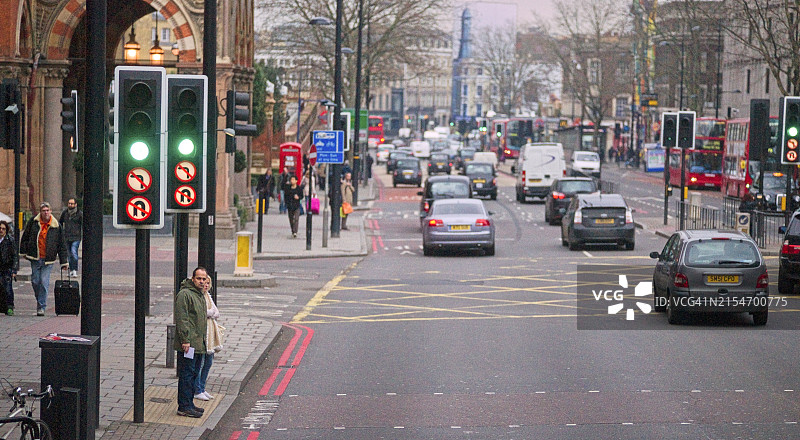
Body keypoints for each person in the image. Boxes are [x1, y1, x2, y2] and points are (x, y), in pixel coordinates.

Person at [19, 202, 68, 316]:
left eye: (47, 210)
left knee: (44, 282)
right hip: (35, 257)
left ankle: (41, 306)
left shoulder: (56, 225)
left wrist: (64, 262)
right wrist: (23, 252)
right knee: (35, 281)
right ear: (40, 212)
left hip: (48, 259)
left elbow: (62, 244)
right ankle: (39, 300)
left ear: (50, 211)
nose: (46, 212)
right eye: (43, 210)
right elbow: (25, 236)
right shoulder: (33, 222)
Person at [174, 267, 209, 418]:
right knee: (187, 375)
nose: (202, 282)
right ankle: (184, 406)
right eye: (199, 278)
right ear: (193, 279)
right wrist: (185, 340)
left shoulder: (199, 294)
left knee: (194, 373)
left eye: (204, 279)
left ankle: (189, 403)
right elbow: (182, 319)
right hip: (189, 344)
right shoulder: (185, 295)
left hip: (198, 344)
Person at [194, 277, 219, 401]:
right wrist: (209, 312)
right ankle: (197, 390)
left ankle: (202, 388)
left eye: (208, 282)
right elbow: (203, 312)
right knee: (200, 363)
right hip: (202, 335)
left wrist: (209, 312)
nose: (205, 284)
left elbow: (216, 312)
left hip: (210, 337)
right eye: (203, 281)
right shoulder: (198, 296)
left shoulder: (207, 295)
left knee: (208, 363)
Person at [59, 197, 83, 278]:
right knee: (69, 255)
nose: (70, 205)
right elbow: (60, 223)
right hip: (67, 237)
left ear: (75, 204)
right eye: (69, 203)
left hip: (76, 237)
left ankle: (75, 270)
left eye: (72, 203)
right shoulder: (65, 213)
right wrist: (61, 232)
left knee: (74, 252)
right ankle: (71, 270)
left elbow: (83, 224)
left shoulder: (79, 214)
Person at [0, 220, 18, 316]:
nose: (1, 230)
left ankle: (10, 307)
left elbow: (15, 256)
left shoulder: (10, 240)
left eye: (3, 229)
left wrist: (14, 270)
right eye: (0, 228)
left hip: (7, 268)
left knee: (8, 288)